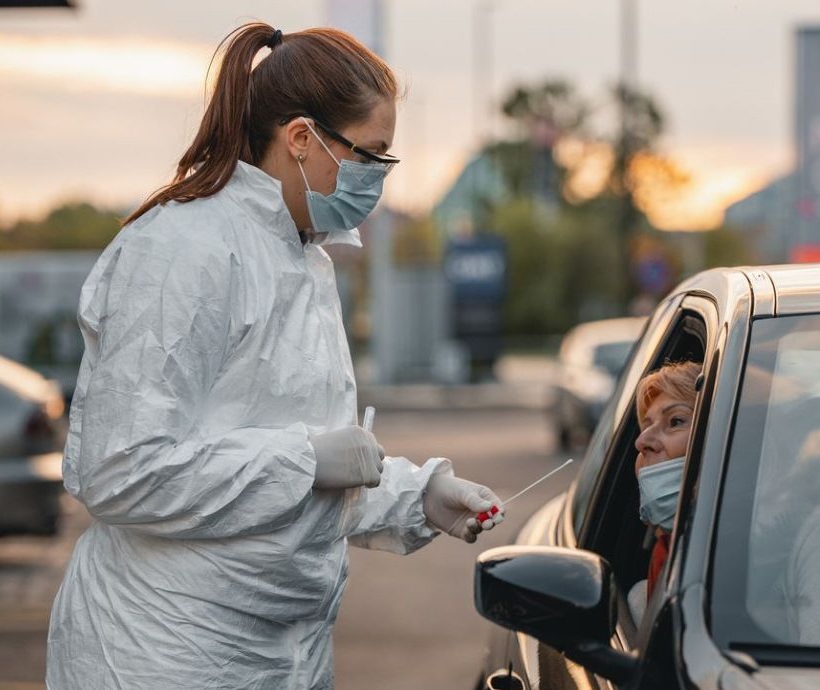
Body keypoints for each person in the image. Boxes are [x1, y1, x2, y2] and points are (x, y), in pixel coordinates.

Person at [46, 23, 504, 689]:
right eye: (372, 155)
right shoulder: (183, 249)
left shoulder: (301, 257)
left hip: (278, 655)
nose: (379, 178)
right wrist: (307, 460)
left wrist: (417, 496)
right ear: (301, 138)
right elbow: (121, 469)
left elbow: (287, 477)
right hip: (163, 652)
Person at [627, 361, 703, 625]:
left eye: (676, 421)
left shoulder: (800, 539)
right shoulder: (666, 551)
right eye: (646, 425)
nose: (641, 441)